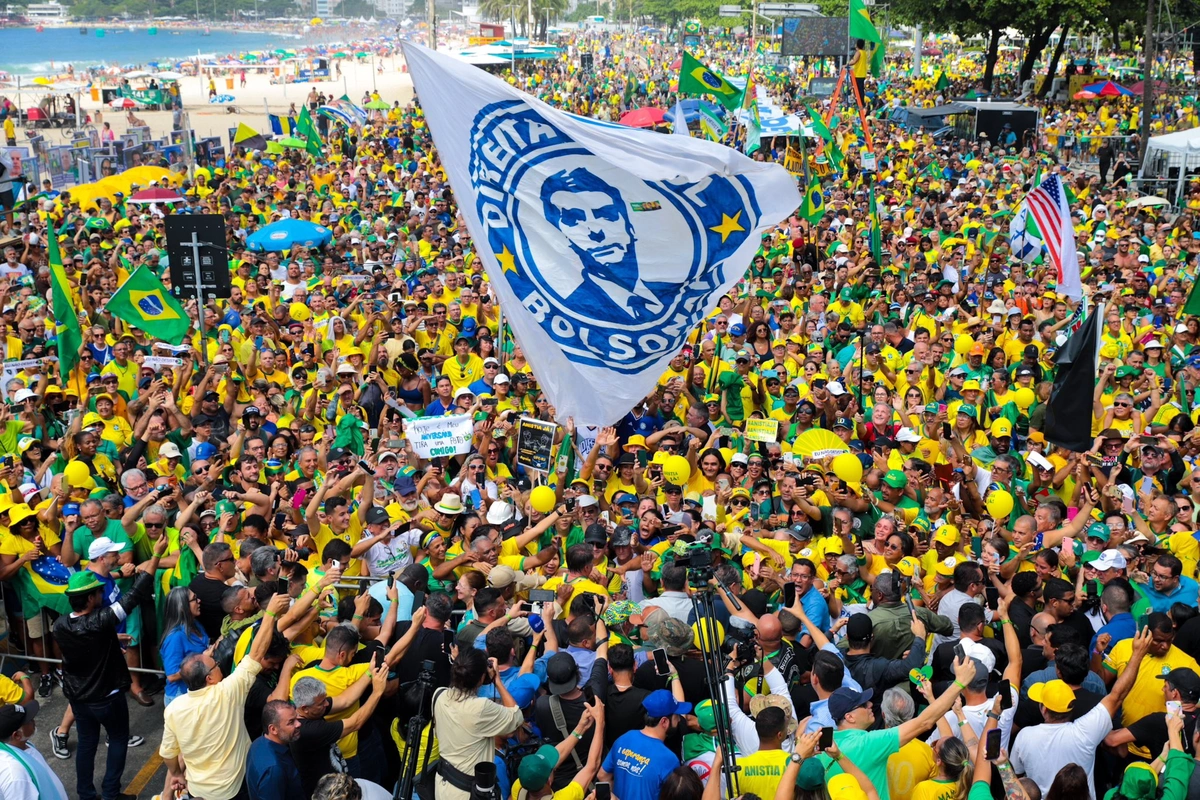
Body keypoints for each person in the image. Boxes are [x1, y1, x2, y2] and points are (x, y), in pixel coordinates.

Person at [53, 533, 165, 800]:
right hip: (107, 697)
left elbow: (85, 635)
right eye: (97, 591)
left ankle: (86, 795)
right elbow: (136, 593)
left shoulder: (60, 625)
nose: (101, 593)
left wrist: (110, 637)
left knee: (88, 745)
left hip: (79, 698)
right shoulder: (102, 620)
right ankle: (112, 794)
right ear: (90, 598)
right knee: (117, 740)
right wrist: (157, 554)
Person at [159, 592, 290, 800]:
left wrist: (176, 773)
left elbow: (168, 753)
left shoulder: (174, 708)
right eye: (216, 665)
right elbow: (256, 653)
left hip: (198, 791)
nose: (219, 663)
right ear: (210, 678)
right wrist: (271, 614)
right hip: (234, 789)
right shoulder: (228, 692)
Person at [1010, 627, 1155, 799]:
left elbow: (1015, 780)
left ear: (1044, 709)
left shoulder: (1024, 737)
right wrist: (1138, 654)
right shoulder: (1085, 732)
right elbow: (1117, 695)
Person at [432, 647, 524, 800]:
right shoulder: (480, 708)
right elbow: (516, 717)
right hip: (469, 792)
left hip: (444, 784)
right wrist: (497, 682)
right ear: (482, 678)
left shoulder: (439, 695)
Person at [599, 690, 688, 800]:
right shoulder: (669, 759)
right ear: (664, 722)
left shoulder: (625, 738)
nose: (679, 720)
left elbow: (603, 775)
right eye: (676, 716)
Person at [0, 700, 68, 800]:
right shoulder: (15, 776)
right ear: (17, 735)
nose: (34, 721)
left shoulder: (21, 746)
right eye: (29, 721)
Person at [246, 700, 305, 800]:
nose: (298, 724)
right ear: (273, 729)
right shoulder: (274, 770)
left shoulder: (258, 742)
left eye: (296, 718)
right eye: (291, 722)